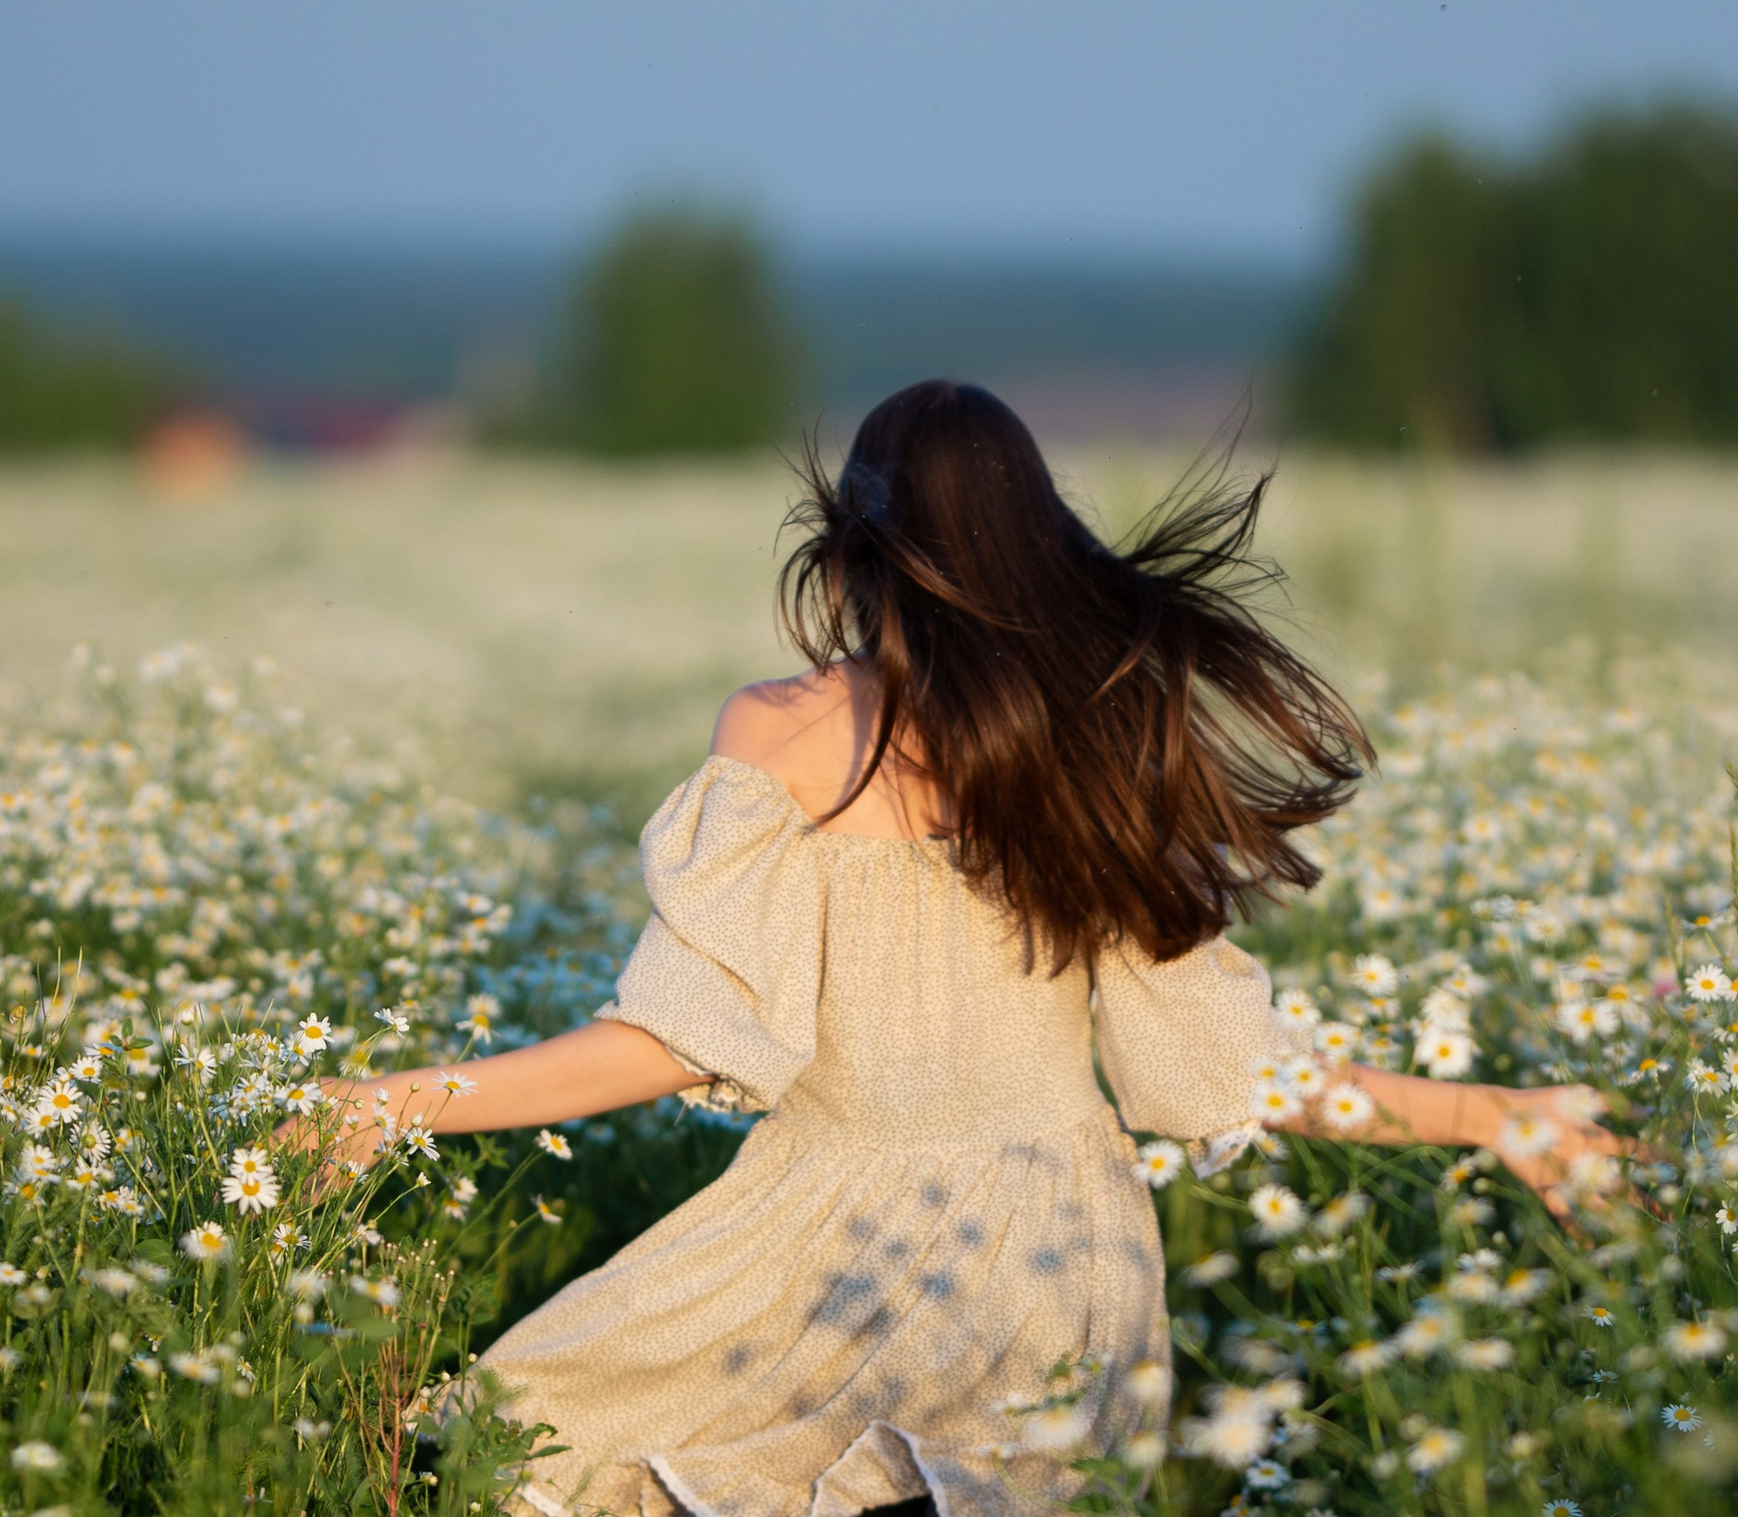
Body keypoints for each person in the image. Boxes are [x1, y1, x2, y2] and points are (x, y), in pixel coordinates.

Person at [277, 382, 1630, 1517]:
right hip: (1059, 1268)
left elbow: (676, 1040)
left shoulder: (785, 731)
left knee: (518, 1437)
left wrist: (392, 1102)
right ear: (1037, 546)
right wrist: (1490, 1114)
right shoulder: (1093, 751)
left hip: (821, 1239)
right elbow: (1222, 1076)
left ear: (853, 549)